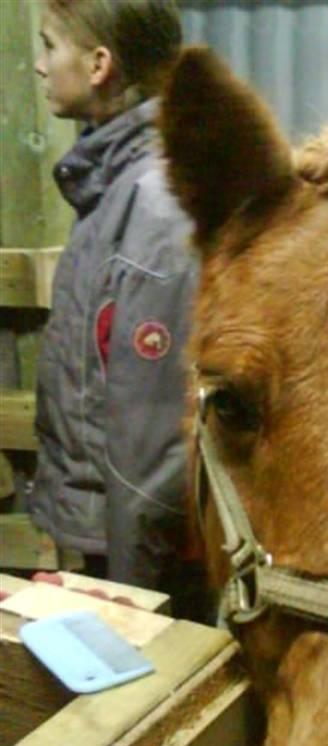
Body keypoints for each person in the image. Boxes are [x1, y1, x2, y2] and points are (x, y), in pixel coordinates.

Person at [31, 0, 206, 616]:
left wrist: (135, 597)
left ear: (100, 63)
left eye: (51, 46)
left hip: (137, 563)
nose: (39, 65)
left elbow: (151, 440)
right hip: (108, 541)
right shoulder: (113, 187)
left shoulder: (153, 204)